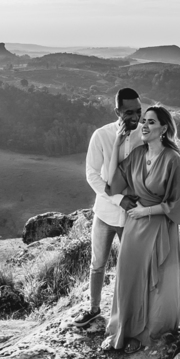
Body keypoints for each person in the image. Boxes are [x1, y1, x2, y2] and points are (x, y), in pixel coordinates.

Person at [102, 105, 180, 353]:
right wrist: (117, 145)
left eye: (151, 122)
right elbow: (112, 182)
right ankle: (125, 329)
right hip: (134, 227)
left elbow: (176, 203)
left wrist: (145, 211)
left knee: (156, 281)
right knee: (129, 276)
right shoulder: (137, 154)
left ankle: (146, 333)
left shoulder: (173, 160)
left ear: (163, 128)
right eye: (144, 122)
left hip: (159, 226)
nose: (145, 126)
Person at [74, 88, 143, 328]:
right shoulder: (101, 135)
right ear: (117, 111)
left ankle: (130, 313)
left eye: (138, 111)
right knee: (98, 263)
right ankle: (93, 309)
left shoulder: (145, 135)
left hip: (133, 214)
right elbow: (92, 174)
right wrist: (117, 199)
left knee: (132, 267)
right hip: (104, 213)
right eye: (129, 113)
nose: (135, 117)